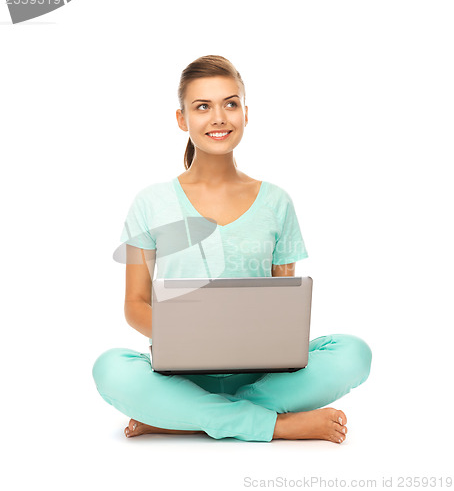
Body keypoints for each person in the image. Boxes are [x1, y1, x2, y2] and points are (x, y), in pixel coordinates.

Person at [92, 55, 372, 443]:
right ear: (181, 119)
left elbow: (284, 305)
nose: (218, 117)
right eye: (202, 106)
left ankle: (183, 418)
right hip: (179, 372)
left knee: (354, 352)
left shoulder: (277, 202)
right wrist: (189, 338)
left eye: (230, 103)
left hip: (261, 376)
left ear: (245, 112)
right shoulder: (151, 202)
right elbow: (135, 303)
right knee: (110, 368)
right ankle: (273, 424)